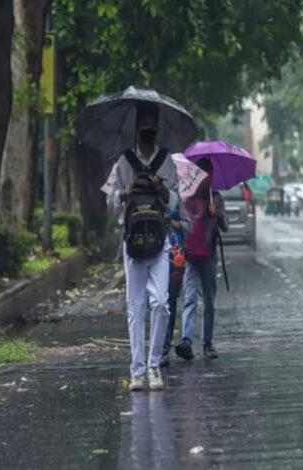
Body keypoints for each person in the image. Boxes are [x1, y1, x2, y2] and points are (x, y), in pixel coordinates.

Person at [105, 102, 179, 391]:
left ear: (157, 129)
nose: (147, 133)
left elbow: (176, 202)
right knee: (136, 307)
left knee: (161, 303)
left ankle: (154, 365)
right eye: (143, 128)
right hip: (133, 243)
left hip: (160, 241)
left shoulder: (167, 161)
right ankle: (137, 371)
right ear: (137, 130)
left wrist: (163, 190)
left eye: (152, 128)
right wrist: (126, 192)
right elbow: (110, 202)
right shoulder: (123, 162)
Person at [175, 160, 229, 361]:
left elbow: (226, 227)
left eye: (208, 174)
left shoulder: (215, 198)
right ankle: (186, 341)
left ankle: (208, 343)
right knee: (189, 298)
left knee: (209, 302)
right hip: (190, 256)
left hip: (208, 256)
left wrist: (219, 214)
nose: (205, 178)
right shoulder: (186, 197)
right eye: (201, 173)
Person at [160, 202, 191, 368]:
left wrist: (173, 223)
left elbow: (188, 226)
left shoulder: (176, 201)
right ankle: (155, 348)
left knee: (170, 303)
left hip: (174, 260)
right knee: (155, 303)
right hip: (151, 254)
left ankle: (164, 349)